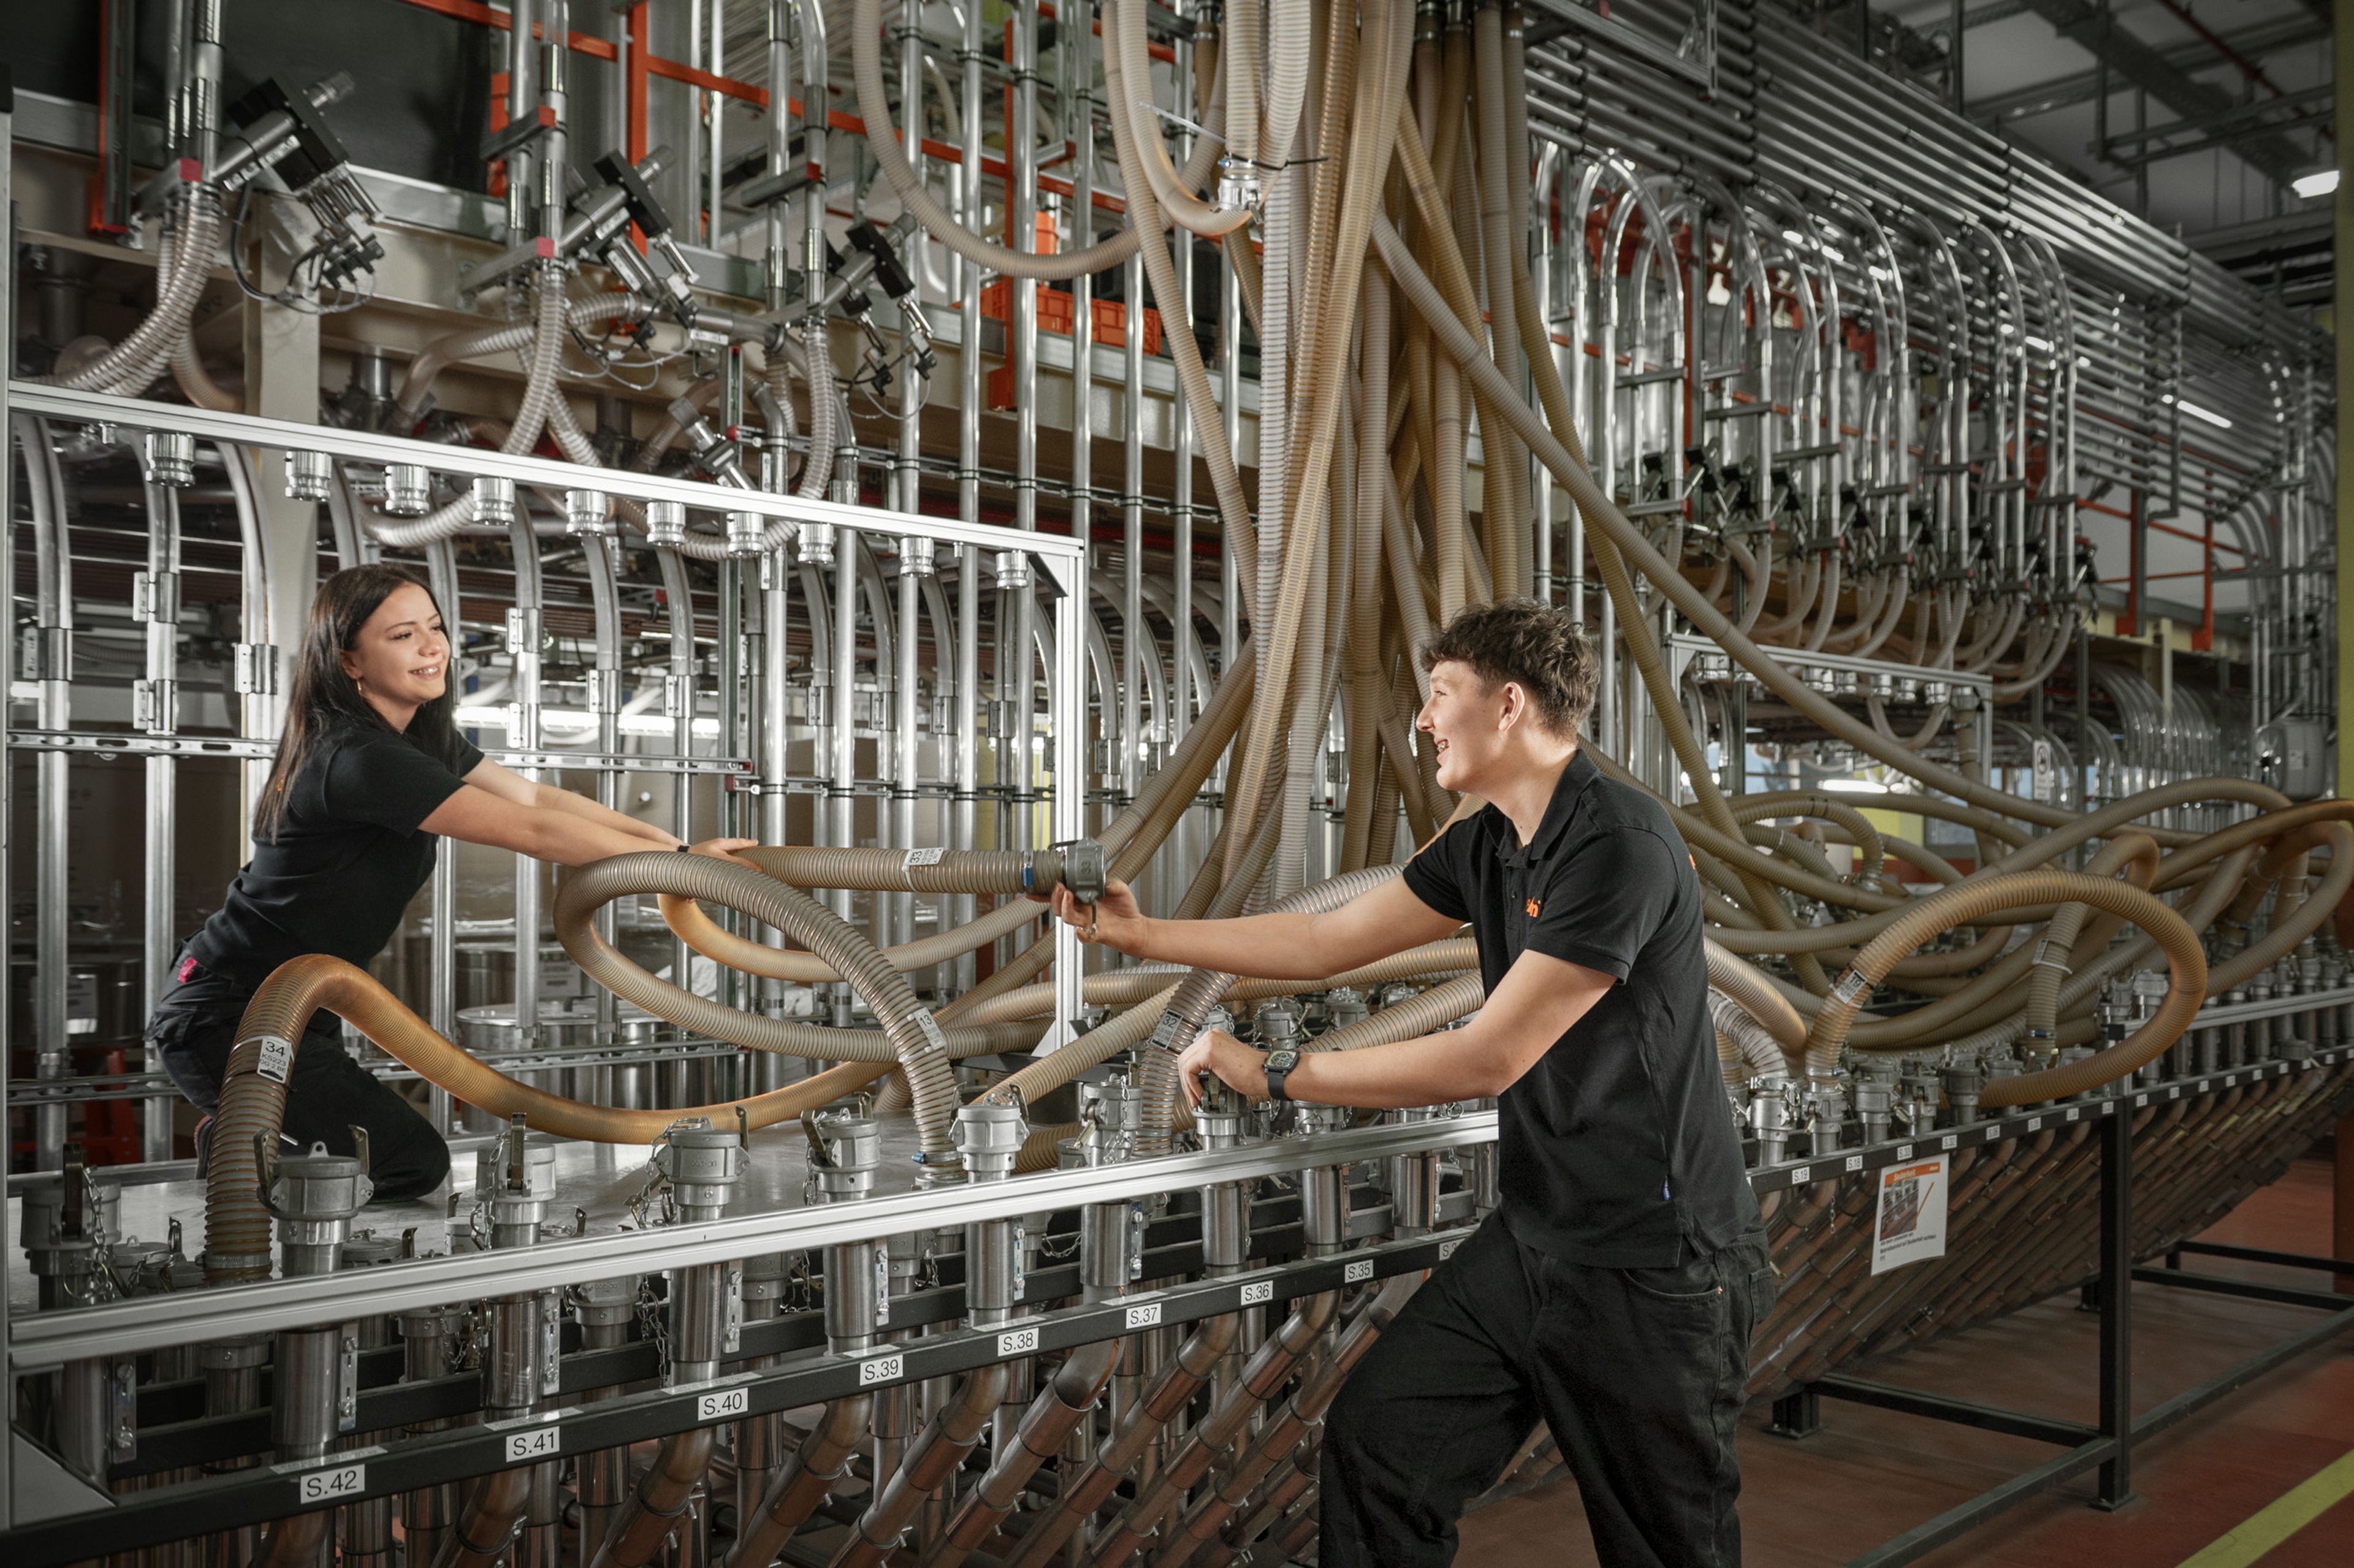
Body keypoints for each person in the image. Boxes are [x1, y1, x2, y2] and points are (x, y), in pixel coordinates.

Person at [1044, 598, 1770, 1567]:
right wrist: (1142, 935)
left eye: (1439, 694)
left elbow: (1487, 1056)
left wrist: (1279, 1073)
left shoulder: (1617, 844)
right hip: (1537, 1237)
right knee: (1380, 1446)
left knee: (1665, 1548)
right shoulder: (1490, 839)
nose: (1424, 719)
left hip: (1656, 1267)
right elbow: (1323, 938)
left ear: (1507, 705)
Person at [147, 563, 752, 1202]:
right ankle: (247, 1164)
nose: (432, 647)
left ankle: (247, 1146)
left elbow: (537, 798)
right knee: (408, 1162)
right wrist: (686, 865)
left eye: (434, 627)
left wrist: (680, 852)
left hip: (297, 1008)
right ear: (349, 660)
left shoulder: (417, 740)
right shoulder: (360, 757)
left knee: (392, 1157)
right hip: (229, 1015)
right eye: (403, 635)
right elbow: (533, 831)